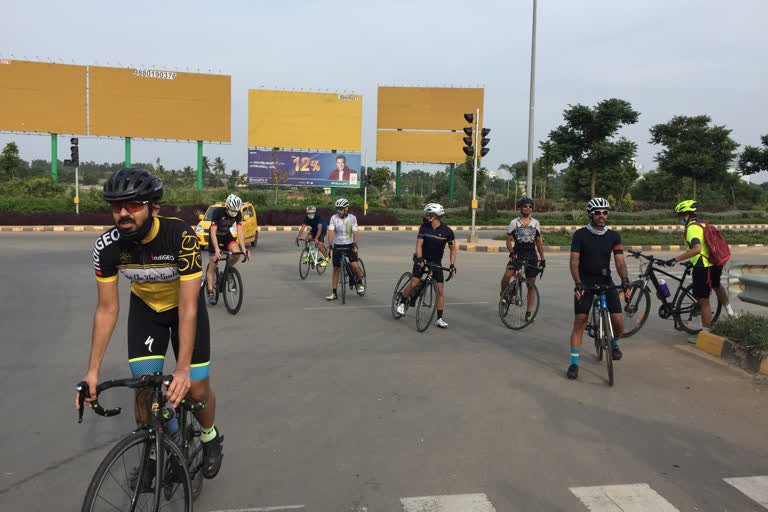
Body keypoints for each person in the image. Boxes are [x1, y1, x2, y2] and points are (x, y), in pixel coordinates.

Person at [77, 168, 224, 484]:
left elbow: (187, 308)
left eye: (132, 205)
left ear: (153, 207)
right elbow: (107, 309)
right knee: (144, 388)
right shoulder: (107, 246)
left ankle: (210, 437)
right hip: (147, 310)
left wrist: (182, 369)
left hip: (185, 308)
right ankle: (155, 451)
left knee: (196, 388)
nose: (123, 213)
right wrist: (92, 371)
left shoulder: (180, 236)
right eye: (116, 206)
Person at [567, 197, 632, 380]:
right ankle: (574, 363)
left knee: (619, 323)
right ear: (590, 214)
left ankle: (614, 343)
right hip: (585, 282)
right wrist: (578, 282)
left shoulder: (614, 236)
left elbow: (620, 262)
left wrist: (625, 280)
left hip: (606, 281)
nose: (602, 216)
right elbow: (574, 262)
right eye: (597, 213)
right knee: (580, 321)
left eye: (605, 212)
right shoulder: (580, 235)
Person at [664, 200, 736, 340]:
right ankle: (730, 312)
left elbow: (696, 249)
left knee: (703, 301)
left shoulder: (692, 228)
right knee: (716, 285)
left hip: (704, 267)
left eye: (679, 215)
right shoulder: (702, 223)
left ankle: (705, 334)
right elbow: (704, 246)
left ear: (686, 215)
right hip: (715, 263)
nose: (678, 218)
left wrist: (675, 260)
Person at [395, 203, 457, 328]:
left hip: (436, 262)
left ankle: (439, 319)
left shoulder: (447, 232)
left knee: (440, 291)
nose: (426, 216)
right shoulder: (424, 227)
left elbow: (453, 249)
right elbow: (419, 244)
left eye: (428, 214)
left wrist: (452, 265)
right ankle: (402, 302)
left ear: (435, 216)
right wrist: (419, 258)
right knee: (414, 282)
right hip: (422, 258)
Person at [500, 196, 545, 322]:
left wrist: (542, 258)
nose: (528, 208)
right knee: (507, 276)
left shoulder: (536, 223)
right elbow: (508, 241)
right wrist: (511, 251)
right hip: (518, 253)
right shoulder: (514, 223)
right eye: (525, 206)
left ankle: (529, 312)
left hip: (531, 255)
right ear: (520, 208)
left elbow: (538, 241)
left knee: (531, 284)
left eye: (530, 206)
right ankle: (504, 294)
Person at [206, 194, 250, 304]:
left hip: (226, 236)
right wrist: (216, 248)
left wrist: (244, 248)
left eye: (236, 211)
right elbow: (212, 232)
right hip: (215, 236)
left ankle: (228, 270)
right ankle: (210, 291)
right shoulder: (218, 212)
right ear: (227, 207)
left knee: (237, 253)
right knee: (213, 263)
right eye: (232, 211)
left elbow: (240, 232)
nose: (234, 213)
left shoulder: (237, 213)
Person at [326, 198, 364, 299]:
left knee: (355, 265)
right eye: (337, 208)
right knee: (336, 269)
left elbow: (355, 233)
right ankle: (334, 293)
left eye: (341, 208)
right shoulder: (333, 218)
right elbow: (330, 233)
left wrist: (355, 244)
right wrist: (330, 245)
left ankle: (360, 283)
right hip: (337, 245)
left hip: (350, 245)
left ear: (346, 208)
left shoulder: (352, 218)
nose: (338, 210)